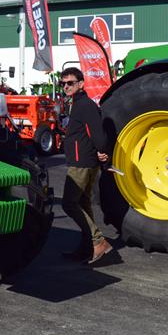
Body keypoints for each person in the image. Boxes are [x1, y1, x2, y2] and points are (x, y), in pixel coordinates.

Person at [59, 67, 113, 264]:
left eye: (70, 83)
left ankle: (98, 241)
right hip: (81, 159)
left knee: (68, 203)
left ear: (81, 84)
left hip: (82, 162)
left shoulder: (85, 105)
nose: (66, 86)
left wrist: (102, 149)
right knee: (82, 203)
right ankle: (87, 247)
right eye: (63, 83)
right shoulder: (77, 104)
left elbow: (96, 132)